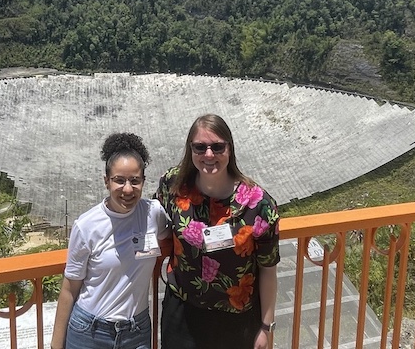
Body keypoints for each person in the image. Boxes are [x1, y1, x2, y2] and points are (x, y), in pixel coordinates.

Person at [155, 114, 280, 349]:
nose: (209, 155)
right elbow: (155, 219)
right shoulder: (172, 185)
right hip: (182, 314)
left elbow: (268, 270)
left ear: (229, 149)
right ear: (190, 150)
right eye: (200, 147)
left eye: (217, 147)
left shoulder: (258, 205)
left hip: (236, 320)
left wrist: (266, 326)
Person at [51, 133, 171, 349]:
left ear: (143, 181)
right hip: (89, 332)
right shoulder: (87, 225)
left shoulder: (153, 213)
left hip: (136, 332)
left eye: (135, 181)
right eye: (119, 180)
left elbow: (174, 239)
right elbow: (69, 289)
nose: (127, 189)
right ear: (106, 181)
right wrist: (56, 345)